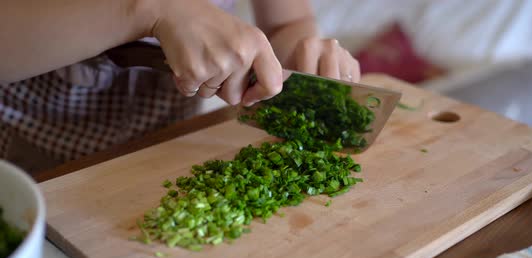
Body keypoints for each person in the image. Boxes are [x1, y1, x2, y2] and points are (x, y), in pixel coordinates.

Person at [0, 0, 360, 173]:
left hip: (171, 146)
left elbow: (288, 22)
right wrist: (149, 10)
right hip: (30, 157)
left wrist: (300, 58)